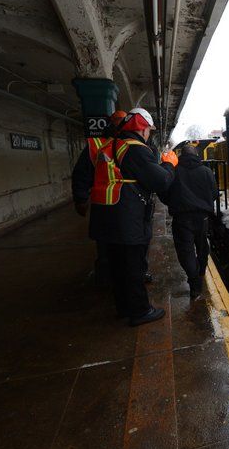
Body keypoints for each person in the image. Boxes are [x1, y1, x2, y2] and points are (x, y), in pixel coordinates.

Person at [72, 107, 179, 326]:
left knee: (117, 266)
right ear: (142, 128)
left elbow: (83, 174)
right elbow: (161, 181)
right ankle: (140, 311)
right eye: (149, 129)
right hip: (127, 217)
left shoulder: (107, 145)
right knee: (134, 266)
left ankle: (123, 308)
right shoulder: (134, 148)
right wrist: (169, 164)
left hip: (106, 216)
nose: (149, 133)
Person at [163, 144, 218, 299]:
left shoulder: (174, 171)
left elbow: (164, 193)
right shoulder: (206, 171)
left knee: (185, 251)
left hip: (181, 218)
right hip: (202, 217)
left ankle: (194, 284)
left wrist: (174, 203)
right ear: (196, 155)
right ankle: (200, 273)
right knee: (202, 247)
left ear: (181, 155)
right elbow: (214, 193)